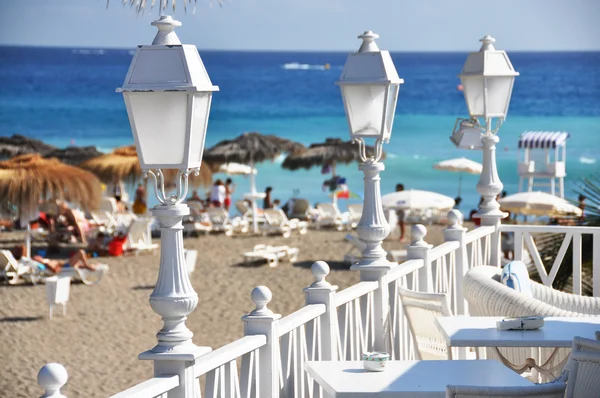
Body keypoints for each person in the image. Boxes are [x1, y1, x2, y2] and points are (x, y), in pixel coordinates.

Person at [29, 249, 98, 274]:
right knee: (81, 252)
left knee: (80, 256)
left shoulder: (46, 261)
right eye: (38, 257)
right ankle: (87, 266)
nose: (40, 257)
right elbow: (55, 269)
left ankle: (87, 266)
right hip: (66, 267)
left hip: (65, 264)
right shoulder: (46, 262)